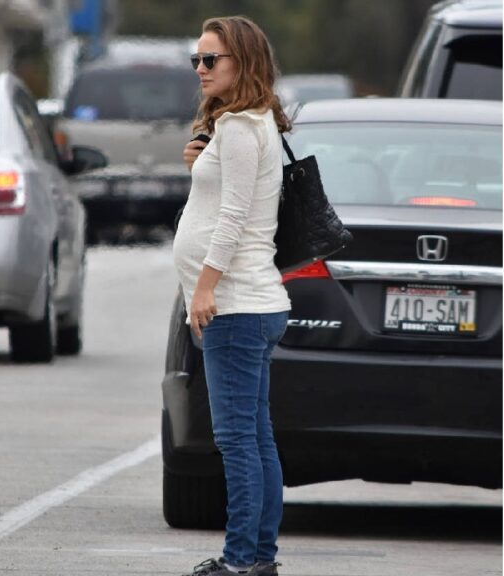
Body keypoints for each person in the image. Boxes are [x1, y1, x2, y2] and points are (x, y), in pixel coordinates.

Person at [171, 15, 293, 576]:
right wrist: (203, 161)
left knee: (238, 441)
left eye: (210, 59)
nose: (200, 68)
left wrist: (203, 287)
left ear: (241, 62)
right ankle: (260, 558)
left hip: (237, 305)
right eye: (196, 59)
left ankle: (242, 561)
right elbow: (228, 193)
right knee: (255, 438)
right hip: (249, 305)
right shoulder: (242, 123)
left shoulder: (244, 127)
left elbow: (234, 218)